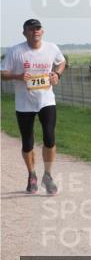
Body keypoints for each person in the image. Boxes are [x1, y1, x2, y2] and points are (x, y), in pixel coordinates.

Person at [1, 19, 67, 195]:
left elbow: (62, 62)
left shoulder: (52, 48)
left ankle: (48, 175)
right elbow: (3, 74)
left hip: (46, 99)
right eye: (31, 29)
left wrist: (57, 75)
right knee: (27, 142)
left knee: (49, 136)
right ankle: (31, 175)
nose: (35, 31)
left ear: (42, 32)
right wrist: (18, 76)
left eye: (38, 28)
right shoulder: (16, 51)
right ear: (25, 33)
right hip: (24, 103)